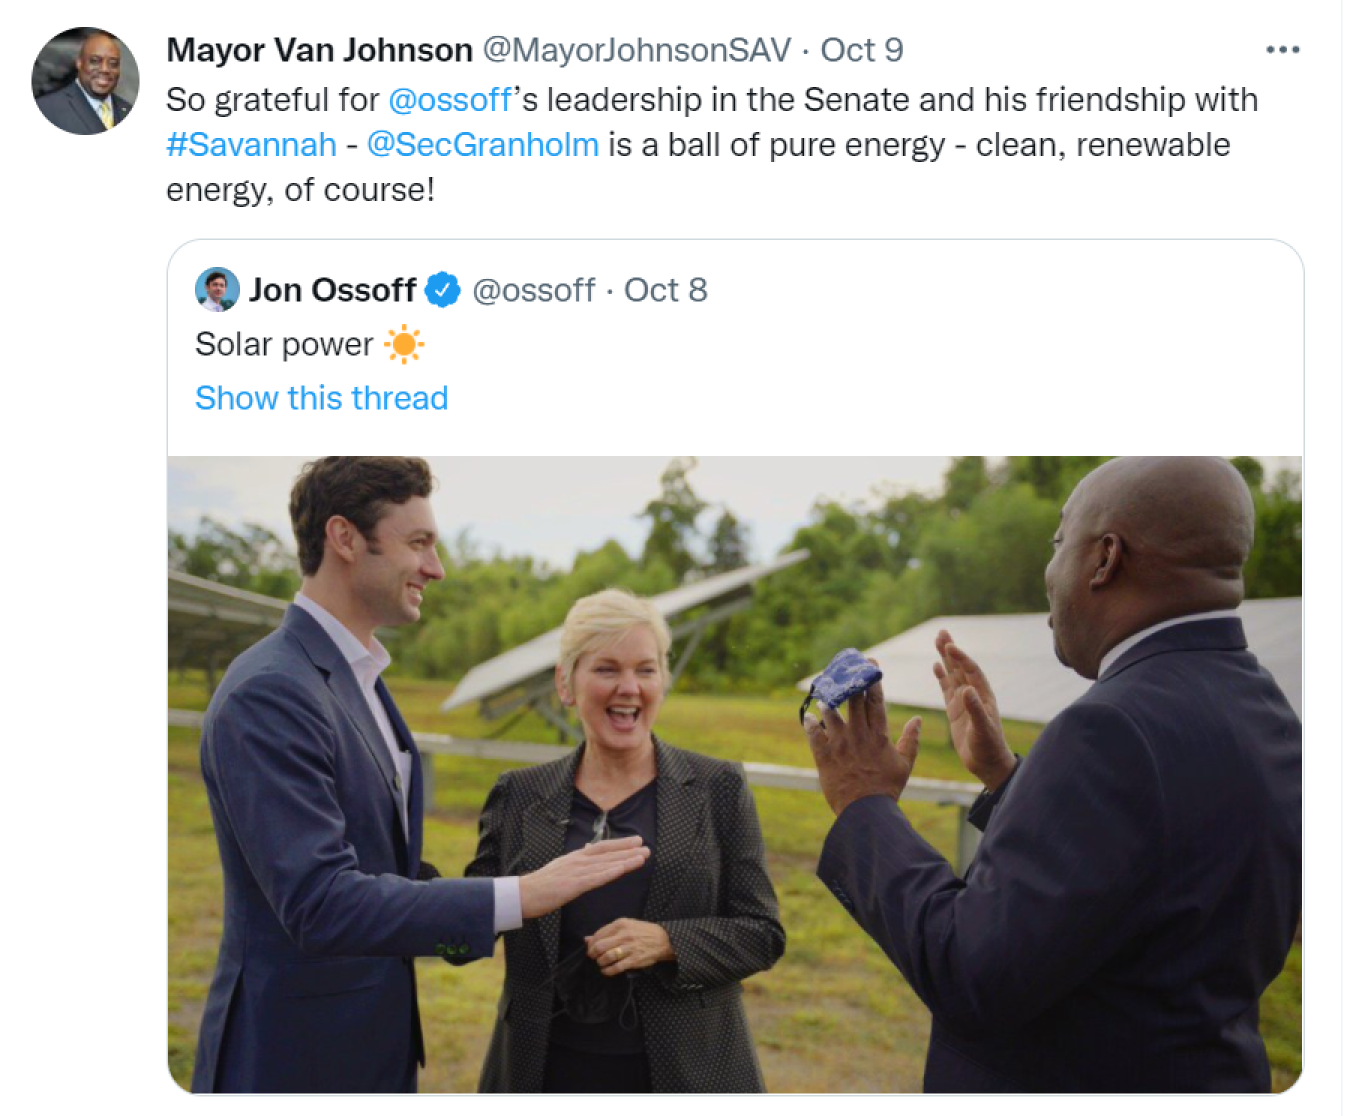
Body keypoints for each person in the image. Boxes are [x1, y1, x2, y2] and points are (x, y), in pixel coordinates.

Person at [804, 456, 1301, 1092]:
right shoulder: (1267, 708)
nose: (1049, 570)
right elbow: (1152, 887)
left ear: (1105, 559)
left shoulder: (1111, 728)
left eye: (1059, 541)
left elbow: (972, 974)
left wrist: (865, 806)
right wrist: (1010, 779)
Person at [192, 458, 650, 1093]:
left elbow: (388, 875)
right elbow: (321, 903)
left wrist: (527, 906)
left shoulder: (358, 680)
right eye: (419, 544)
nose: (436, 568)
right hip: (294, 1059)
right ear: (345, 538)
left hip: (370, 1047)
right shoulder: (272, 690)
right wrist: (521, 894)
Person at [467, 589, 785, 1092]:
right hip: (545, 1072)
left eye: (646, 669)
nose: (629, 687)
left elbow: (762, 933)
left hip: (689, 1074)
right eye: (607, 669)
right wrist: (402, 887)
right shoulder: (518, 796)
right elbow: (465, 933)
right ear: (566, 683)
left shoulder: (717, 788)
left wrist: (667, 942)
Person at [35, 31, 132, 134]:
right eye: (95, 61)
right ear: (79, 63)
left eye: (113, 64)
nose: (105, 69)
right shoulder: (46, 109)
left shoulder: (128, 109)